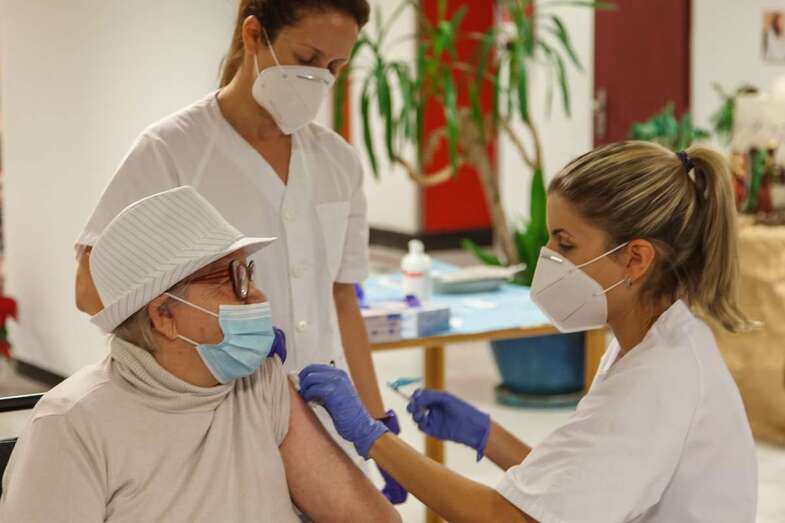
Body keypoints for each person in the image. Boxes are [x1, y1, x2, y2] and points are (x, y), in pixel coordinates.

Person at [296, 142, 759, 522]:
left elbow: (512, 518)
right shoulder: (649, 342)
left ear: (634, 259)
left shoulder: (657, 379)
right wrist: (488, 436)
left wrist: (372, 437)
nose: (548, 256)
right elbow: (575, 489)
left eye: (565, 243)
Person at [73, 0, 405, 501]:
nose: (319, 77)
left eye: (335, 66)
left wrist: (376, 425)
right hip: (209, 423)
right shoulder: (172, 150)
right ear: (254, 35)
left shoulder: (338, 162)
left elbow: (343, 299)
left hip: (322, 420)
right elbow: (89, 289)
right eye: (308, 58)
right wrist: (206, 334)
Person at [0, 187, 400, 523]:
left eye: (248, 273)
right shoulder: (72, 427)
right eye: (232, 280)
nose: (257, 295)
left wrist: (372, 437)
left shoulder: (261, 385)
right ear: (164, 315)